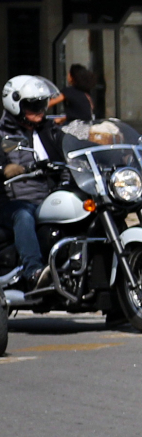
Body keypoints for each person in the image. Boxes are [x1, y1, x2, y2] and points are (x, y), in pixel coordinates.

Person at [1, 75, 70, 287]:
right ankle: (33, 272)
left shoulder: (49, 131)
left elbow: (71, 152)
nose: (39, 110)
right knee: (23, 215)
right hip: (11, 202)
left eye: (42, 103)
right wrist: (5, 168)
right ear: (15, 105)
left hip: (48, 199)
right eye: (33, 105)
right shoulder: (4, 136)